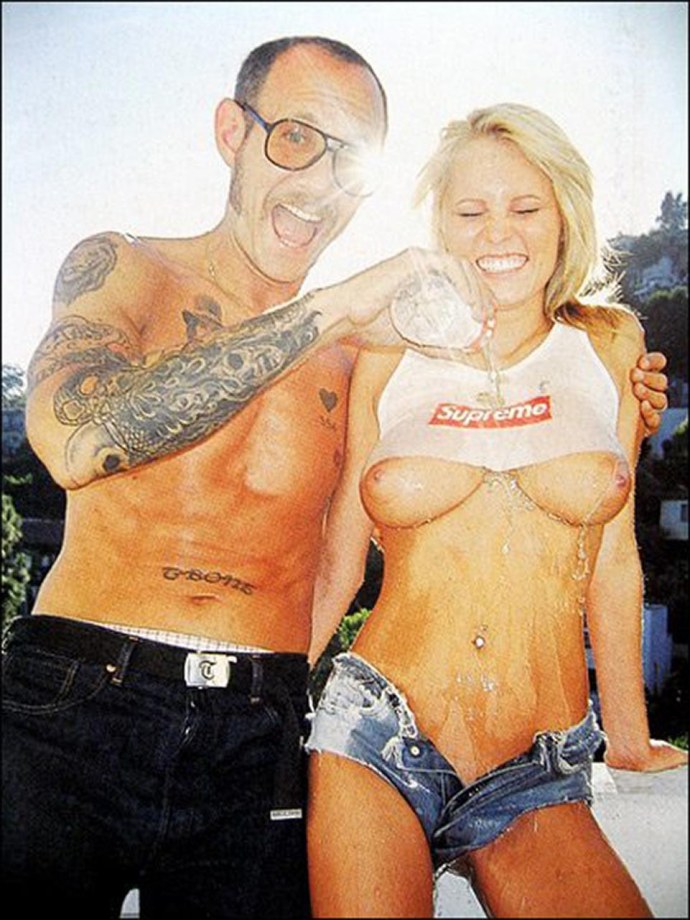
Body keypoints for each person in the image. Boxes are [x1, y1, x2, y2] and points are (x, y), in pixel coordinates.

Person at [0, 34, 669, 919]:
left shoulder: (371, 352)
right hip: (79, 699)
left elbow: (405, 509)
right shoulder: (130, 270)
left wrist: (616, 406)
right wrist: (340, 305)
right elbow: (74, 437)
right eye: (295, 138)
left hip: (256, 734)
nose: (320, 182)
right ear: (232, 132)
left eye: (349, 160)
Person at [305, 102, 687, 919]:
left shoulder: (610, 344)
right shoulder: (387, 351)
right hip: (375, 729)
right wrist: (258, 707)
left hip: (536, 763)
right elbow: (339, 558)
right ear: (438, 226)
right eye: (470, 212)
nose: (497, 234)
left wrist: (627, 733)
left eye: (525, 207)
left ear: (564, 215)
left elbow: (613, 556)